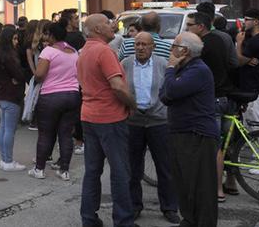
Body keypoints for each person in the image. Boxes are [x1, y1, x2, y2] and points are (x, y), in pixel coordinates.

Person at [76, 14, 136, 227]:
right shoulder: (104, 51)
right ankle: (123, 221)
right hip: (110, 118)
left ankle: (89, 218)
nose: (113, 25)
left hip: (89, 116)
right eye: (107, 22)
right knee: (120, 171)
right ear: (97, 29)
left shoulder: (84, 52)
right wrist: (132, 104)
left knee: (92, 171)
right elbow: (118, 86)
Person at [160, 32, 218, 227]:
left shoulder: (198, 70)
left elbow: (172, 91)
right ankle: (189, 220)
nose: (170, 50)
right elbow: (165, 94)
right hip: (180, 132)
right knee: (183, 184)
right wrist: (171, 77)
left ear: (184, 50)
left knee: (201, 187)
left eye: (173, 46)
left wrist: (169, 68)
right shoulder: (181, 69)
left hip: (197, 134)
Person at [120, 32, 179, 223]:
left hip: (159, 121)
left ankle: (169, 207)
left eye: (144, 44)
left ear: (153, 46)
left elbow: (171, 87)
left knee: (165, 166)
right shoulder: (126, 64)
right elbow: (120, 88)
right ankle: (135, 205)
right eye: (137, 44)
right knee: (133, 167)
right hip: (134, 121)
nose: (140, 48)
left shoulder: (162, 64)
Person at [186, 11, 238, 200]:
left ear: (201, 26)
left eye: (189, 25)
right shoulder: (221, 40)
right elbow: (232, 64)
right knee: (228, 143)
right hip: (225, 97)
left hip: (212, 100)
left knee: (213, 146)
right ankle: (230, 182)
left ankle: (217, 190)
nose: (187, 28)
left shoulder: (201, 46)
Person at [28, 22, 80, 181]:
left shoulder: (48, 51)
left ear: (51, 35)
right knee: (65, 134)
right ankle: (64, 170)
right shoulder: (74, 51)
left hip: (51, 96)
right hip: (72, 95)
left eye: (46, 34)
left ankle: (39, 169)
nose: (44, 37)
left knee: (45, 133)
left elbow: (39, 75)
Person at [0, 26, 26, 171]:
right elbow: (20, 75)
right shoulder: (9, 57)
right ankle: (8, 161)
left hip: (1, 95)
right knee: (10, 129)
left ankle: (4, 159)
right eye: (15, 39)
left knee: (3, 128)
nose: (17, 42)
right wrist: (17, 79)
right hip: (11, 95)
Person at [236, 8, 259, 128]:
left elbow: (239, 61)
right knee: (249, 129)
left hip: (256, 90)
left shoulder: (258, 40)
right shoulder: (256, 39)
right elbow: (245, 59)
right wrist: (248, 60)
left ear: (256, 22)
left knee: (258, 127)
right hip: (252, 89)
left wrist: (239, 43)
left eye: (246, 19)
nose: (243, 22)